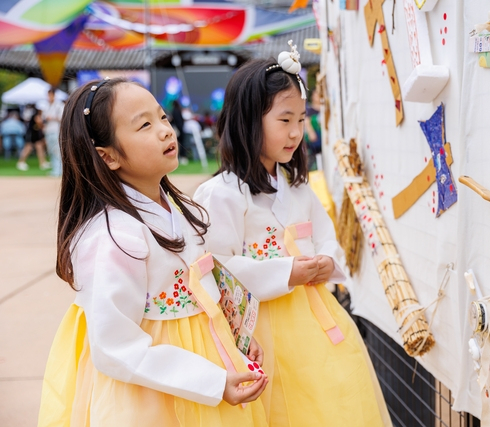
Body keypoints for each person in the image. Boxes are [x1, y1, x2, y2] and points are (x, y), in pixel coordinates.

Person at [38, 78, 269, 427]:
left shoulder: (179, 207)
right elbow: (115, 346)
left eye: (162, 117)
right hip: (150, 394)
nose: (165, 130)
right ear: (108, 156)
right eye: (145, 125)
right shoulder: (113, 237)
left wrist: (234, 339)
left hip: (205, 367)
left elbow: (204, 284)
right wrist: (212, 380)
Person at [194, 47, 392, 427]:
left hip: (316, 321)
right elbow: (217, 267)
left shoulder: (296, 186)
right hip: (262, 331)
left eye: (301, 119)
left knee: (329, 403)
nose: (296, 132)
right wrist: (288, 272)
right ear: (249, 120)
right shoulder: (222, 194)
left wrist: (326, 261)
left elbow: (326, 236)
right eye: (285, 119)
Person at [43, 88, 64, 176]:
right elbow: (44, 118)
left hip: (56, 130)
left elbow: (62, 118)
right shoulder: (46, 106)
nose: (49, 97)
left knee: (57, 151)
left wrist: (52, 118)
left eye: (50, 95)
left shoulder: (59, 105)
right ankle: (55, 169)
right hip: (48, 130)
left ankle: (60, 170)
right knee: (51, 150)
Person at [304, 88, 323, 171]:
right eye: (315, 94)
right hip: (313, 142)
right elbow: (306, 122)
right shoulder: (309, 110)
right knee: (313, 165)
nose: (317, 97)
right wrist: (311, 132)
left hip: (322, 139)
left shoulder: (324, 109)